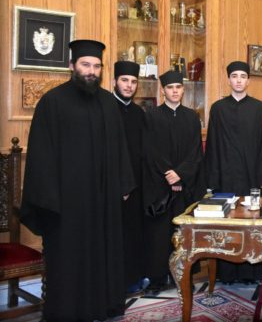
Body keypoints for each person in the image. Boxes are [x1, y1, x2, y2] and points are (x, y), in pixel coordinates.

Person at [20, 39, 135, 322]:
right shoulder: (52, 102)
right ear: (72, 66)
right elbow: (41, 155)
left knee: (103, 254)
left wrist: (123, 184)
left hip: (104, 200)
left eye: (97, 66)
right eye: (85, 64)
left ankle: (104, 306)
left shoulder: (108, 102)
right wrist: (49, 200)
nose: (91, 71)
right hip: (67, 204)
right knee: (69, 259)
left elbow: (120, 148)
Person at [204, 61, 262, 283]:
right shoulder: (218, 108)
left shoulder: (259, 109)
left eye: (243, 76)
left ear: (248, 80)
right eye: (234, 76)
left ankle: (250, 273)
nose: (238, 80)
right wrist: (213, 177)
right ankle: (226, 274)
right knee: (227, 224)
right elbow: (213, 145)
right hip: (225, 178)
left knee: (251, 224)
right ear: (228, 80)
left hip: (251, 178)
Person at [144, 70, 204, 294]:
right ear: (163, 91)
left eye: (178, 87)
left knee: (184, 233)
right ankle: (158, 279)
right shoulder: (152, 116)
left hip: (185, 186)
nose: (175, 91)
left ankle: (184, 276)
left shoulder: (192, 117)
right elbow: (150, 150)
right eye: (170, 88)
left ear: (183, 90)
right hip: (160, 185)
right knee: (159, 235)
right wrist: (168, 174)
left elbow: (196, 151)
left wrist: (181, 174)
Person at [113, 60, 150, 296]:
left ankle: (134, 280)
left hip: (137, 185)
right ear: (114, 81)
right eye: (124, 80)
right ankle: (116, 283)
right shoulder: (105, 108)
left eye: (133, 81)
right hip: (113, 185)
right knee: (116, 236)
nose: (129, 85)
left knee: (135, 233)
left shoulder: (139, 113)